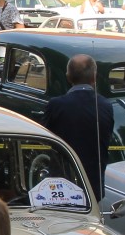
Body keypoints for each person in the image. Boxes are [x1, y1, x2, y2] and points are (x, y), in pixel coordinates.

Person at [44, 55, 114, 200]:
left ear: (68, 77)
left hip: (61, 183)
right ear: (94, 77)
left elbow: (44, 138)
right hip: (92, 182)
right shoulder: (105, 106)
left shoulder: (56, 105)